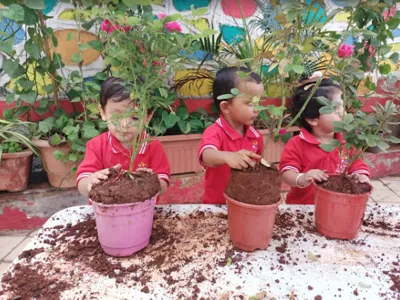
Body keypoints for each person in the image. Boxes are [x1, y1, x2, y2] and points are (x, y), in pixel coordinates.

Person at [280, 76, 370, 204]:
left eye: (342, 106)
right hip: (305, 208)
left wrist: (361, 176)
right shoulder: (296, 144)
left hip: (339, 205)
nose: (342, 112)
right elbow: (287, 172)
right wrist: (302, 178)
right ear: (312, 119)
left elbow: (358, 164)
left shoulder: (348, 141)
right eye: (335, 108)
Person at [76, 77, 170, 198]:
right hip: (105, 213)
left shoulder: (153, 145)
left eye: (135, 117)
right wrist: (89, 182)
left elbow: (164, 182)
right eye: (116, 116)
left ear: (148, 117)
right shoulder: (96, 145)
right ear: (102, 112)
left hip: (143, 213)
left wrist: (153, 182)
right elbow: (82, 182)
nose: (125, 125)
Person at [198, 66, 265, 204]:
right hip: (217, 204)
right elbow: (207, 156)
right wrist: (227, 156)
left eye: (258, 102)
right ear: (226, 107)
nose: (257, 109)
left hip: (245, 202)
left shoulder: (256, 136)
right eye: (250, 103)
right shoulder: (215, 132)